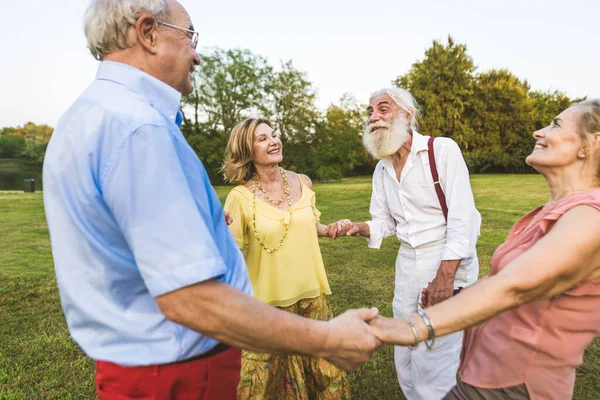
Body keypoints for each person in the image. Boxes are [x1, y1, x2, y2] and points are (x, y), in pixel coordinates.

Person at [42, 1, 380, 399]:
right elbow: (191, 299)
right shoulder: (138, 130)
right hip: (179, 376)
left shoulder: (93, 115)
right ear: (148, 32)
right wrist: (326, 339)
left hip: (146, 368)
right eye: (189, 35)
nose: (197, 54)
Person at [370, 99, 600, 400]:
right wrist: (461, 294)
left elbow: (514, 287)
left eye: (555, 124)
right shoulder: (554, 209)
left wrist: (404, 329)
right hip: (485, 373)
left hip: (517, 385)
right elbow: (526, 289)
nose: (537, 132)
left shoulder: (590, 215)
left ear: (591, 144)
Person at [333, 87, 481, 399]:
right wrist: (360, 227)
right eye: (371, 111)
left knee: (436, 350)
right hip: (407, 262)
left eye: (383, 109)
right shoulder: (382, 168)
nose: (374, 117)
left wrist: (446, 275)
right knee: (405, 345)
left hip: (446, 257)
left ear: (408, 116)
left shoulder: (442, 151)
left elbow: (462, 218)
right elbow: (385, 221)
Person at [222, 118, 353, 399]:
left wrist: (331, 228)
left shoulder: (302, 182)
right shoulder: (240, 196)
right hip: (266, 306)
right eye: (262, 139)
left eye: (274, 135)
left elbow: (310, 225)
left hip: (312, 295)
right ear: (247, 150)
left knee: (325, 373)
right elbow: (228, 251)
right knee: (258, 384)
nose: (273, 141)